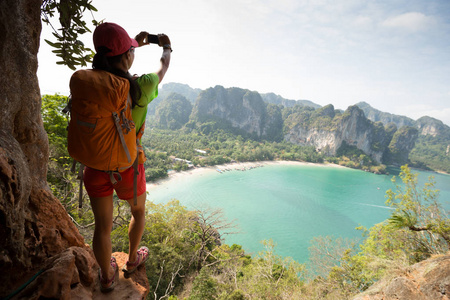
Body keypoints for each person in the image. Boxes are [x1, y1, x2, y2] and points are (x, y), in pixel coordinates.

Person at [83, 22, 171, 292]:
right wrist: (165, 46)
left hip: (95, 165)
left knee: (103, 226)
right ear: (127, 56)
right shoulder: (140, 87)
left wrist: (132, 43)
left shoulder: (89, 82)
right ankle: (132, 260)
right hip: (128, 167)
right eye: (130, 50)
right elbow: (163, 66)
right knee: (138, 210)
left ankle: (107, 277)